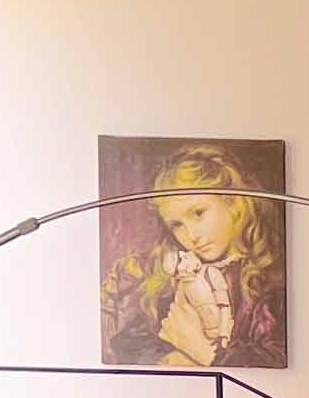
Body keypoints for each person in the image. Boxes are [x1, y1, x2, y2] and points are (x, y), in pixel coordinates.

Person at [102, 146, 285, 367]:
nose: (191, 235)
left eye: (198, 213)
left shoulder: (272, 282)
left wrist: (202, 352)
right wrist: (172, 359)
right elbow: (130, 342)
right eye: (177, 225)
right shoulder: (173, 275)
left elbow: (276, 360)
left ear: (232, 201)